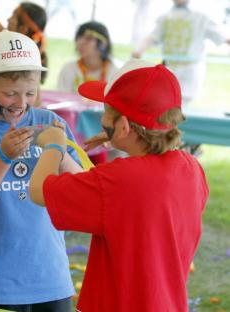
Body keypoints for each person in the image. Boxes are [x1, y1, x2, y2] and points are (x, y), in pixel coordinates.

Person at [29, 59, 209, 311]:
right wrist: (123, 139)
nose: (103, 118)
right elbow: (119, 201)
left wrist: (53, 146)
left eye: (106, 112)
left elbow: (39, 191)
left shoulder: (118, 181)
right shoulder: (192, 170)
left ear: (123, 126)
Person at [0, 30, 81, 312]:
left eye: (30, 93)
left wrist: (57, 153)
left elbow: (81, 187)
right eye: (10, 93)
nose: (21, 103)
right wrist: (2, 157)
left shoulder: (50, 121)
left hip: (50, 277)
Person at [132, 0, 230, 105]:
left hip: (190, 70)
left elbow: (221, 36)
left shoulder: (201, 17)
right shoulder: (165, 17)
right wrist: (139, 50)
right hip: (169, 68)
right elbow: (152, 37)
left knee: (180, 103)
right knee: (163, 101)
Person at [0, 0, 48, 83]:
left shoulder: (19, 53)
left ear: (23, 28)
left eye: (13, 16)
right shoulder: (16, 45)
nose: (8, 19)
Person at [57, 21, 118, 94]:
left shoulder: (115, 74)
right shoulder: (69, 69)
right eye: (79, 37)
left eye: (89, 38)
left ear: (103, 44)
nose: (81, 42)